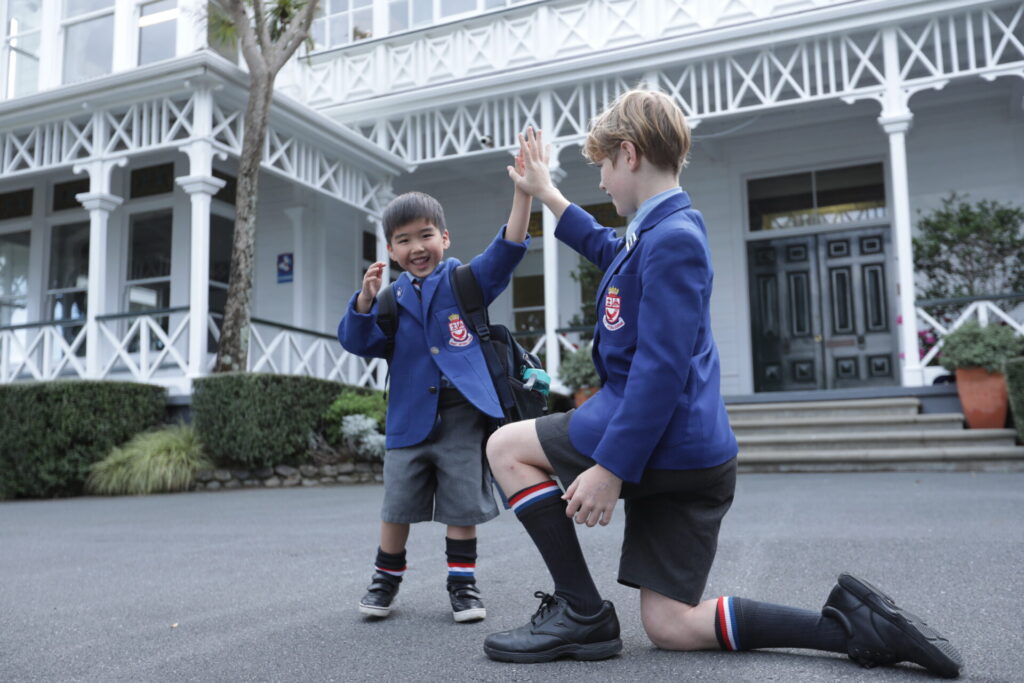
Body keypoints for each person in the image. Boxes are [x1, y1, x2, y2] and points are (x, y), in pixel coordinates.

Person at [482, 90, 963, 679]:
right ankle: (849, 629)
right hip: (692, 456)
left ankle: (581, 610)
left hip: (658, 439)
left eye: (603, 167)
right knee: (670, 626)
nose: (602, 183)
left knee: (505, 447)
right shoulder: (658, 229)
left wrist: (610, 468)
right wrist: (547, 194)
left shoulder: (672, 238)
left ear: (628, 155)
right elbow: (609, 250)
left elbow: (663, 368)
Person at [337, 177, 531, 622]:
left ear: (444, 237)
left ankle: (462, 585)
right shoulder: (390, 300)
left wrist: (523, 194)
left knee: (461, 503)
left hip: (464, 417)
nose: (416, 247)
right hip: (408, 419)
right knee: (397, 504)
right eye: (403, 240)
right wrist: (364, 301)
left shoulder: (465, 282)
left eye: (425, 235)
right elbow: (355, 341)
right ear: (390, 250)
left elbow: (508, 249)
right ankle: (385, 580)